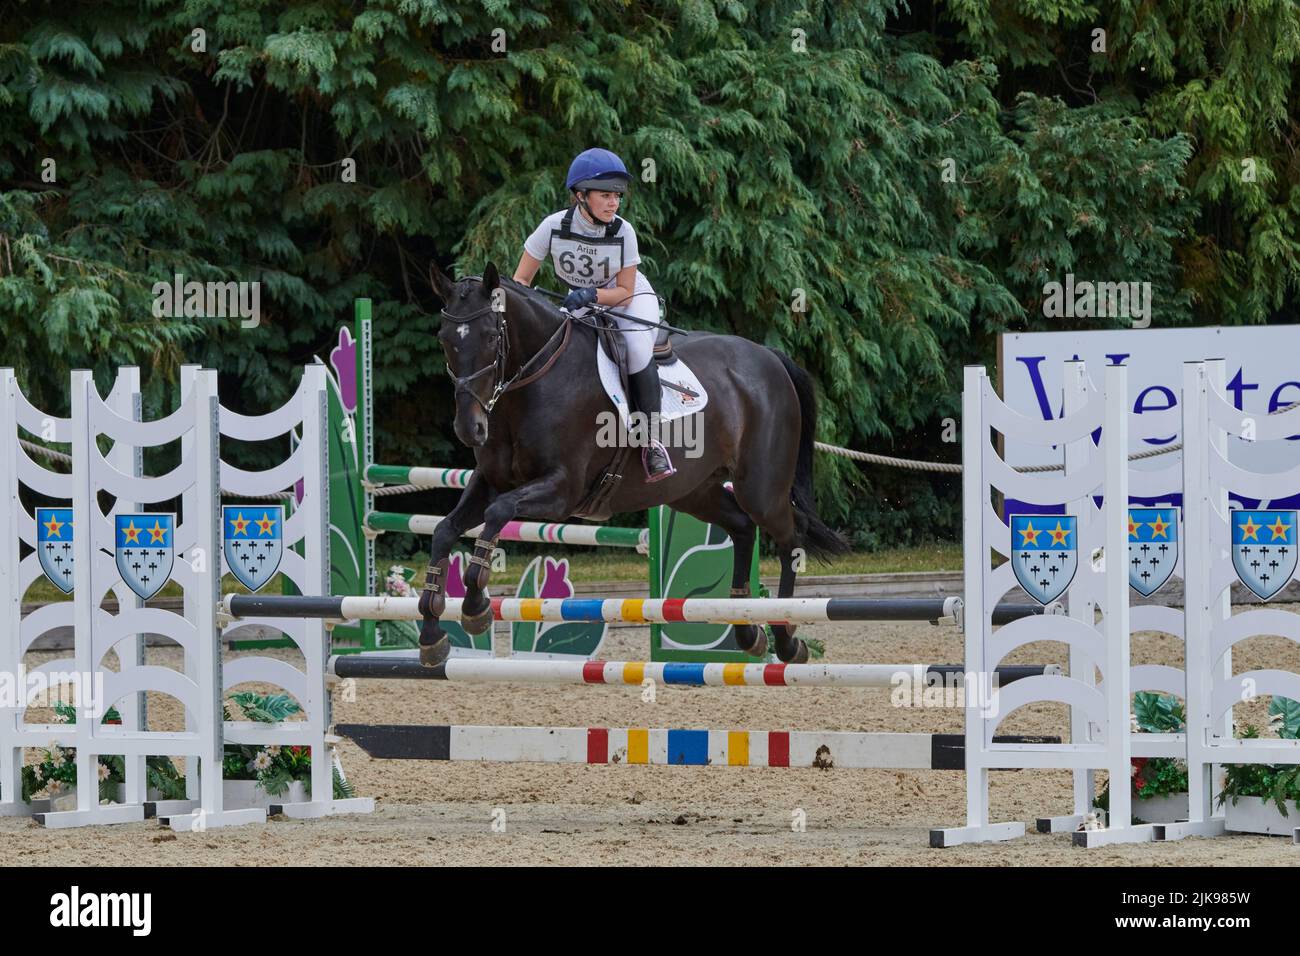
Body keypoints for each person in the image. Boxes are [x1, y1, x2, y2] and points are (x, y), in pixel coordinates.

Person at [512, 148, 676, 482]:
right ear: (580, 196)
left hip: (627, 298)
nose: (613, 203)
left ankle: (652, 443)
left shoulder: (623, 231)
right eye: (605, 196)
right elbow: (521, 281)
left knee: (635, 349)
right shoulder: (552, 227)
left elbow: (625, 291)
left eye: (616, 196)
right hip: (579, 300)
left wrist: (591, 295)